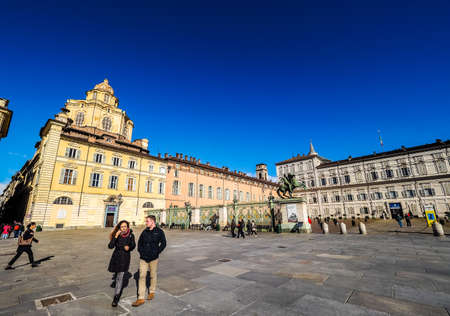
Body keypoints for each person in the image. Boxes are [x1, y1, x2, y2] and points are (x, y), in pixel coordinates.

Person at [132, 215, 166, 307]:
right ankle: (141, 298)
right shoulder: (144, 232)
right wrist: (141, 251)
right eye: (146, 221)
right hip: (143, 258)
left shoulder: (159, 232)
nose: (146, 223)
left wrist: (157, 252)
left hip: (154, 258)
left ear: (152, 222)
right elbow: (139, 243)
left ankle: (151, 291)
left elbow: (163, 243)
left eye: (147, 221)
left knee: (152, 275)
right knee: (142, 275)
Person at [108, 220, 136, 307]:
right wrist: (115, 236)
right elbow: (110, 246)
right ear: (119, 228)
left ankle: (116, 297)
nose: (123, 228)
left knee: (120, 277)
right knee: (117, 275)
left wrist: (129, 247)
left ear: (127, 227)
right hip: (116, 257)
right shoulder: (117, 235)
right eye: (122, 227)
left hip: (125, 258)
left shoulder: (131, 235)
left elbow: (133, 245)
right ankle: (116, 282)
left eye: (125, 226)